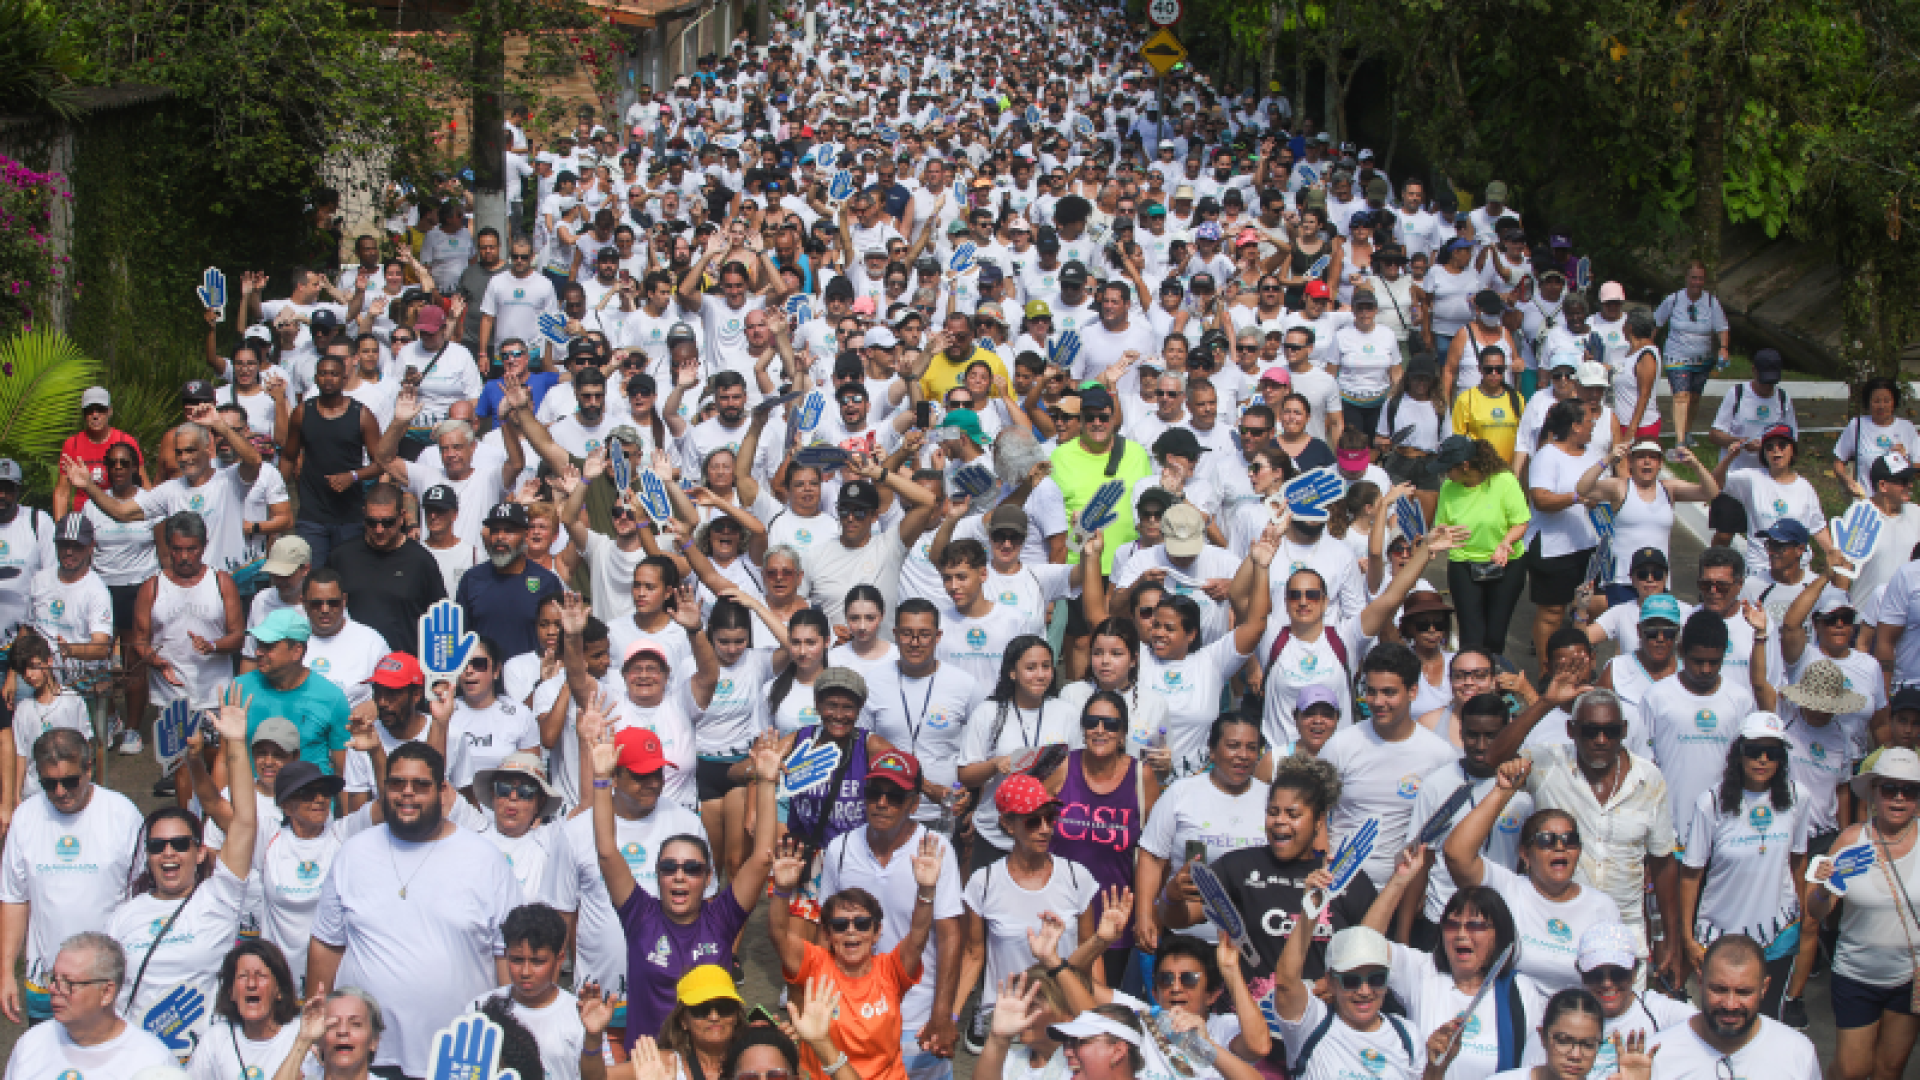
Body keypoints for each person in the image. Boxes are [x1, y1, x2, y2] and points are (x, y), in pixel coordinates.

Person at [306, 742, 519, 1080]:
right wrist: (315, 1031)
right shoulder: (352, 854)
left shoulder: (485, 859)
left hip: (458, 1057)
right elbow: (326, 945)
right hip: (367, 1057)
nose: (407, 794)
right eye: (396, 784)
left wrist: (508, 1040)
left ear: (443, 791)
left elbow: (507, 956)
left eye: (420, 785)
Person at [587, 700, 781, 1049]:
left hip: (709, 1064)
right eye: (669, 867)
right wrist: (601, 778)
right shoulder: (640, 915)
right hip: (650, 1069)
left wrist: (766, 782)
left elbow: (762, 859)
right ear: (657, 877)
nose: (679, 876)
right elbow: (606, 851)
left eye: (692, 869)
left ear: (709, 878)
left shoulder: (721, 918)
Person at [106, 684, 257, 1056]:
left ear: (201, 851)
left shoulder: (219, 895)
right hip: (141, 1063)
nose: (168, 853)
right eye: (157, 846)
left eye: (180, 844)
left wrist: (235, 745)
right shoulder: (123, 916)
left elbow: (245, 825)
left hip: (207, 1060)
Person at [769, 821, 942, 1080]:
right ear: (826, 934)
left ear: (876, 933)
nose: (851, 931)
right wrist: (782, 890)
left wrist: (926, 890)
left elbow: (918, 936)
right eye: (840, 925)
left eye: (861, 924)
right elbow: (779, 935)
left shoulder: (891, 969)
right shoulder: (815, 963)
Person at [1444, 757, 1628, 992]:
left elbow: (1612, 981)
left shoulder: (1602, 906)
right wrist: (1502, 792)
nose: (1559, 847)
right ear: (1524, 854)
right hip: (1514, 1018)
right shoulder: (1506, 888)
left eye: (1569, 840)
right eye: (1546, 841)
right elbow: (1456, 854)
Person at [0, 729, 145, 1024]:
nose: (61, 792)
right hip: (46, 985)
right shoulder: (26, 817)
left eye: (70, 781)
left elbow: (142, 899)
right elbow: (15, 899)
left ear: (89, 768)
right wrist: (5, 973)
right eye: (49, 784)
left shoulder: (122, 814)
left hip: (106, 983)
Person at [1675, 711, 1808, 1020]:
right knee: (1720, 1020)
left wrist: (1801, 918)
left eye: (1772, 753)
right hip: (1719, 935)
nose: (1762, 759)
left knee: (1769, 1019)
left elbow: (1798, 860)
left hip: (1778, 933)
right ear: (1739, 753)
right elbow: (1691, 874)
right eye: (1753, 750)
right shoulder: (1711, 802)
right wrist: (1687, 938)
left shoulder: (1798, 797)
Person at [955, 774, 1102, 1053]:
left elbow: (1092, 956)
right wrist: (952, 1016)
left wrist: (1098, 1016)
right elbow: (973, 956)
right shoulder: (983, 883)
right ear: (1008, 824)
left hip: (1064, 1019)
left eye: (1050, 818)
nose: (1045, 828)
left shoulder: (1076, 878)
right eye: (1033, 821)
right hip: (1006, 1022)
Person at [1363, 848, 1536, 1076]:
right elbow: (1362, 945)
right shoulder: (1422, 970)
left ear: (1499, 934)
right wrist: (1400, 881)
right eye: (1453, 925)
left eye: (1475, 925)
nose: (1462, 935)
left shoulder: (1521, 991)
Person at [1805, 748, 1920, 1080]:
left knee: (1889, 1070)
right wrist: (1824, 888)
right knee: (1852, 1071)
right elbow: (1818, 910)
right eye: (1889, 789)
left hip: (1910, 978)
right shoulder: (1851, 841)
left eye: (1909, 790)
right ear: (1874, 793)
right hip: (1857, 975)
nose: (1898, 798)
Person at [1323, 643, 1461, 888]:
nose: (1377, 701)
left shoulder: (1439, 755)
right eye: (1371, 691)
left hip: (1401, 890)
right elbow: (1315, 813)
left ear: (1413, 691)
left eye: (1389, 692)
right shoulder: (1340, 746)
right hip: (1339, 887)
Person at [2, 932, 174, 1080]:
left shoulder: (152, 1063)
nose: (53, 989)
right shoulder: (31, 1044)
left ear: (106, 992)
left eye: (68, 983)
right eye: (53, 979)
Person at [132, 511, 246, 730]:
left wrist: (212, 645)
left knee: (217, 761)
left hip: (215, 695)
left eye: (191, 549)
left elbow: (238, 637)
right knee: (177, 763)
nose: (184, 557)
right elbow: (139, 640)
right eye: (177, 549)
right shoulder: (152, 588)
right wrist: (157, 662)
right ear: (168, 547)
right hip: (169, 697)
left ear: (204, 546)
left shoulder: (222, 583)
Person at [1644, 935, 1819, 1076]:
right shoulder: (1656, 1055)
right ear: (1700, 981)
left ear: (1764, 988)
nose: (1730, 1005)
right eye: (1719, 990)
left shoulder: (1797, 1052)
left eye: (1743, 992)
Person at [281, 349, 388, 568]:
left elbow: (381, 463)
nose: (328, 379)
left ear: (344, 378)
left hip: (349, 515)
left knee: (349, 575)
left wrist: (354, 476)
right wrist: (276, 493)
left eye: (333, 374)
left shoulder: (362, 414)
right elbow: (288, 456)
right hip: (312, 514)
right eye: (322, 374)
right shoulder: (303, 412)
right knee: (311, 577)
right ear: (315, 378)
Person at [1431, 436, 1530, 653]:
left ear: (1465, 465)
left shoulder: (1504, 480)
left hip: (1506, 564)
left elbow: (1521, 522)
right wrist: (1436, 541)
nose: (1445, 474)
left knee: (1495, 636)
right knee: (1471, 637)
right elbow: (1442, 526)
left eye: (1449, 469)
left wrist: (1505, 542)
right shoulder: (1449, 487)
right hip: (1464, 564)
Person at [468, 903, 586, 1080]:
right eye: (516, 960)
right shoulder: (479, 1010)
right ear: (506, 953)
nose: (525, 972)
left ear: (559, 958)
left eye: (537, 961)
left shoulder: (580, 1016)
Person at [234, 609, 352, 775]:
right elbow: (225, 760)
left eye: (268, 646)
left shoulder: (332, 698)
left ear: (297, 651)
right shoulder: (239, 689)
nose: (258, 652)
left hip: (309, 798)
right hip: (251, 798)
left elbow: (344, 772)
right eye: (259, 644)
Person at [189, 939, 303, 1080]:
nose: (251, 984)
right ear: (231, 992)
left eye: (261, 975)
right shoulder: (215, 1040)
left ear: (279, 990)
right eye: (243, 976)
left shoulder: (301, 1036)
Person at [1651, 261, 1730, 450]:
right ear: (1686, 278)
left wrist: (1724, 347)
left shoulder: (1711, 302)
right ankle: (1679, 441)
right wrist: (1648, 346)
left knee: (1694, 398)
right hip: (1676, 356)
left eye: (1700, 278)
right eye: (1693, 277)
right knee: (1681, 396)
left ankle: (1686, 431)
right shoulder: (1673, 300)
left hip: (1702, 359)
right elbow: (1656, 323)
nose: (1697, 282)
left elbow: (1722, 328)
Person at [55, 386, 148, 518]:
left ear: (110, 411)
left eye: (101, 410)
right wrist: (60, 527)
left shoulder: (126, 441)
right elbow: (62, 492)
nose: (95, 415)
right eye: (89, 410)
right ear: (83, 414)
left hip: (120, 514)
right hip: (84, 518)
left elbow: (143, 485)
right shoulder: (72, 444)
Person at [271, 986, 386, 1080]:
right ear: (320, 1040)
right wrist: (304, 1040)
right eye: (332, 1024)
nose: (342, 1031)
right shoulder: (302, 1076)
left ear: (374, 1040)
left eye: (355, 1024)